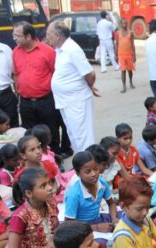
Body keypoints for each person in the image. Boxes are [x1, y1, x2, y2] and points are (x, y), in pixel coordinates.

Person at [12, 21, 69, 155]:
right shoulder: (15, 52)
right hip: (25, 101)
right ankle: (35, 161)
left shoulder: (47, 51)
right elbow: (16, 74)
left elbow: (57, 73)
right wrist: (17, 92)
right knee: (29, 134)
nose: (14, 38)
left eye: (17, 35)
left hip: (46, 100)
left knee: (50, 131)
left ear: (28, 36)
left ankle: (54, 157)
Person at [47, 21, 98, 152]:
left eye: (49, 35)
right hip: (65, 101)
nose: (47, 38)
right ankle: (81, 164)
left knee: (82, 136)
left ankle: (88, 165)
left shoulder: (72, 49)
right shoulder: (60, 50)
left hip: (77, 100)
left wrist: (90, 86)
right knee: (73, 134)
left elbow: (90, 73)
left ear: (57, 35)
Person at [8, 168, 65, 248]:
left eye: (49, 183)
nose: (50, 188)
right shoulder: (20, 217)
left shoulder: (51, 203)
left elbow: (56, 227)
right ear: (29, 193)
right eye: (43, 186)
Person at [64, 151, 118, 231]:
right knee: (102, 243)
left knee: (127, 218)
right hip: (81, 228)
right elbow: (68, 226)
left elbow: (111, 203)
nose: (94, 174)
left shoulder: (102, 183)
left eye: (96, 169)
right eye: (87, 171)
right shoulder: (74, 195)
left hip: (98, 219)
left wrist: (114, 219)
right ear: (78, 174)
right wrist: (96, 228)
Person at [115, 18, 136, 92]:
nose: (124, 25)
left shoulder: (131, 33)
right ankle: (124, 86)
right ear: (121, 24)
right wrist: (116, 55)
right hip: (121, 54)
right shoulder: (118, 33)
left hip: (129, 54)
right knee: (123, 70)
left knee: (130, 70)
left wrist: (134, 55)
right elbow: (117, 44)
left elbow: (133, 45)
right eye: (123, 23)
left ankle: (130, 82)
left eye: (126, 23)